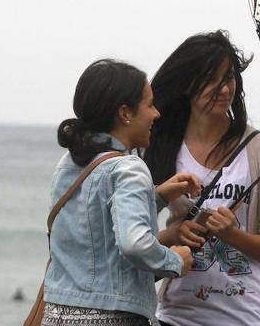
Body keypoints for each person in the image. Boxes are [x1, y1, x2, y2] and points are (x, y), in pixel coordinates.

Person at [144, 31, 260, 326]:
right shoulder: (159, 145)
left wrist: (231, 234)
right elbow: (134, 237)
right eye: (211, 79)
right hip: (176, 315)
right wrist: (173, 235)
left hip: (244, 316)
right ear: (187, 85)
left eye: (229, 78)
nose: (224, 89)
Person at [43, 59, 199, 326]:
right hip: (114, 317)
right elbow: (134, 244)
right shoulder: (130, 168)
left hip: (57, 314)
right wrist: (174, 260)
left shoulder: (67, 164)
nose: (156, 114)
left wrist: (157, 197)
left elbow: (93, 227)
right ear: (125, 113)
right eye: (150, 105)